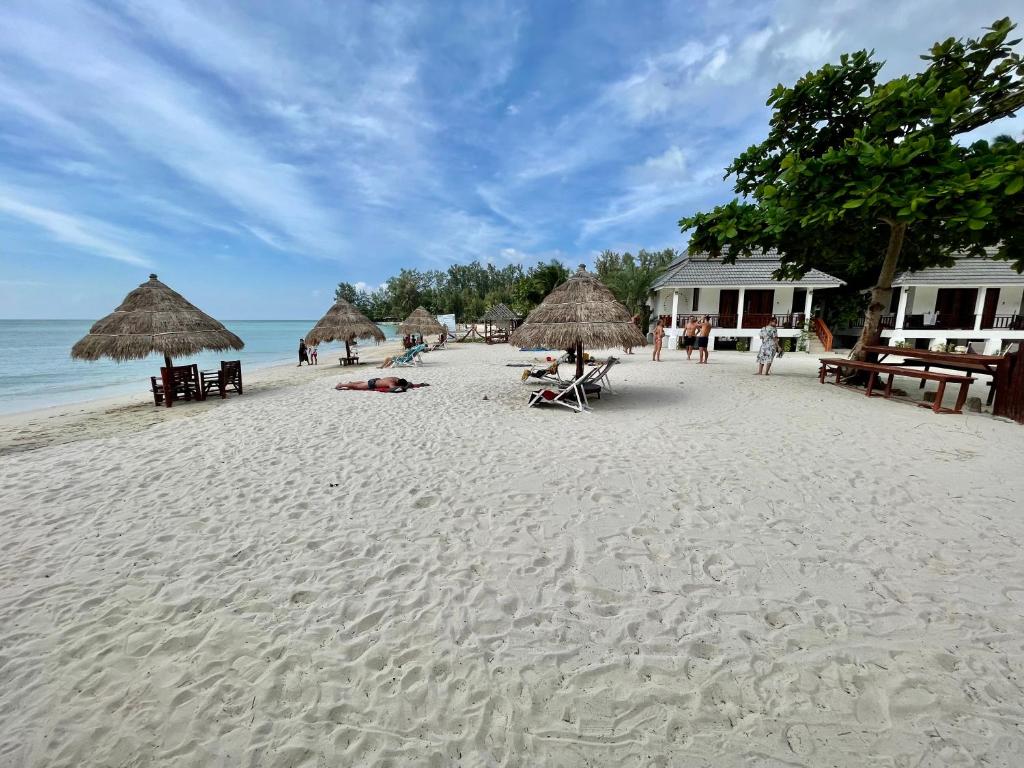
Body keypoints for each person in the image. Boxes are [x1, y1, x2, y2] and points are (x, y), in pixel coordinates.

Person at [335, 376, 429, 392]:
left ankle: (350, 383)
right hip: (373, 384)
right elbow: (393, 389)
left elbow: (407, 383)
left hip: (376, 380)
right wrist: (403, 387)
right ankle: (340, 385)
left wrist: (420, 384)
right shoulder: (391, 382)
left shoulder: (395, 378)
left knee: (362, 383)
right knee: (357, 387)